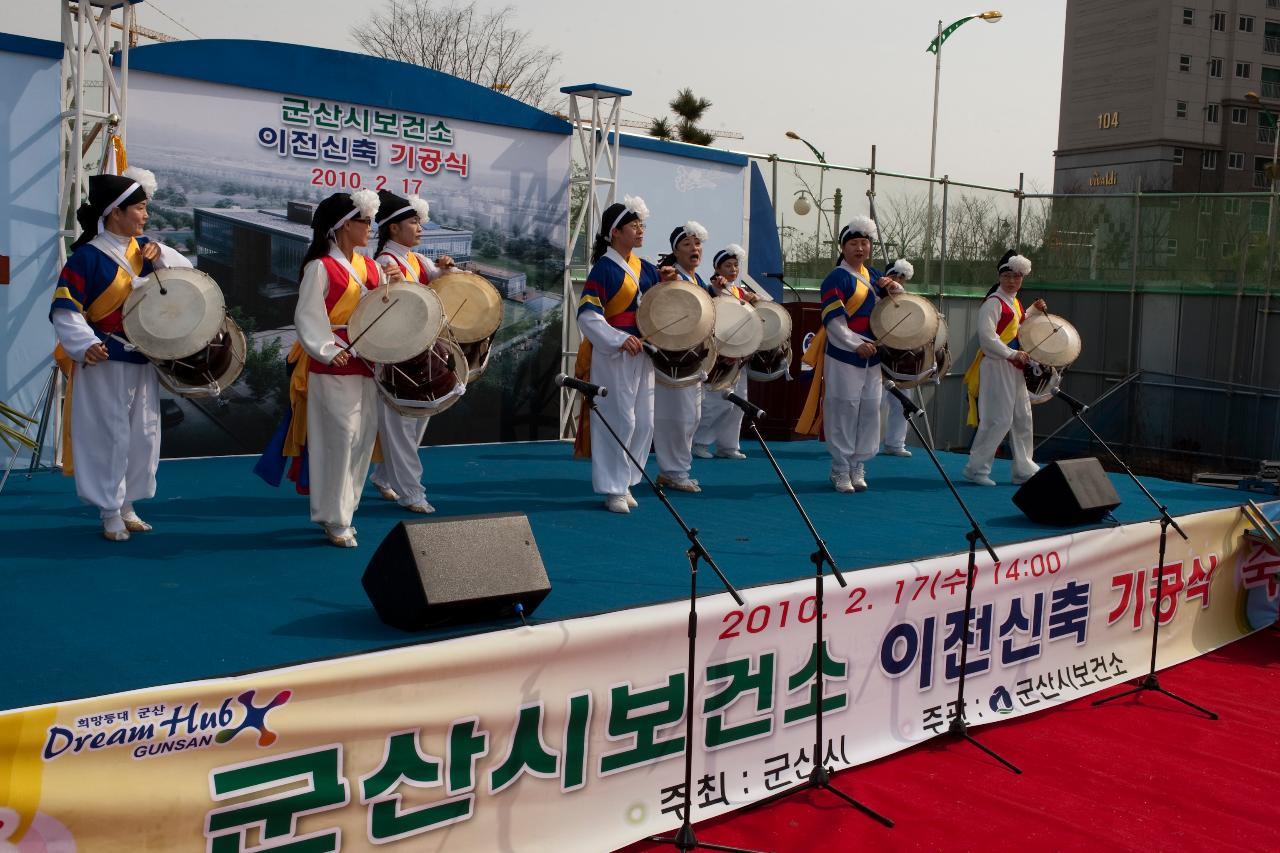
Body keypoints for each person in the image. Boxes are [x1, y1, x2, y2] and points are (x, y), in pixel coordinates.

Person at [50, 167, 192, 542]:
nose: (146, 216)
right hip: (105, 359)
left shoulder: (146, 250)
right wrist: (84, 344)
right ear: (116, 211)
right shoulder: (87, 258)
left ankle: (129, 503)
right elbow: (66, 309)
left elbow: (188, 274)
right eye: (140, 208)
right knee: (107, 434)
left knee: (142, 435)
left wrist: (161, 252)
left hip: (143, 357)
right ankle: (109, 510)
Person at [255, 189, 398, 546]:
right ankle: (333, 517)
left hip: (367, 363)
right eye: (364, 221)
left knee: (362, 438)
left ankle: (344, 511)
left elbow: (384, 307)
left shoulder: (370, 267)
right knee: (338, 440)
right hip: (332, 364)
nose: (370, 227)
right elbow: (307, 315)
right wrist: (326, 348)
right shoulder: (320, 267)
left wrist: (392, 284)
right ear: (343, 227)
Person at [573, 196, 673, 513]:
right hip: (615, 353)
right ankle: (612, 487)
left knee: (644, 422)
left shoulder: (645, 269)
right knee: (620, 419)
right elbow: (587, 315)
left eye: (641, 225)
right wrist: (617, 339)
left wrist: (667, 282)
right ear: (615, 232)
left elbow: (657, 303)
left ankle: (628, 479)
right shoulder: (604, 269)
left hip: (643, 351)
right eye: (634, 225)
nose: (640, 230)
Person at [795, 216, 904, 493]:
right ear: (843, 248)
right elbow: (834, 322)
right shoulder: (835, 278)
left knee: (869, 408)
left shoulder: (877, 276)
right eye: (853, 243)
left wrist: (893, 288)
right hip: (845, 352)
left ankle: (859, 464)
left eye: (864, 243)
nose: (860, 248)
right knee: (843, 407)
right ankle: (840, 468)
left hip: (874, 353)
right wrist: (856, 344)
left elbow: (897, 305)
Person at [368, 190, 455, 514]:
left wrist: (445, 269)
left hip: (420, 354)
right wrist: (382, 283)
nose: (420, 228)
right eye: (413, 222)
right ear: (393, 228)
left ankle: (384, 476)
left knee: (415, 423)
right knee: (402, 426)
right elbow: (377, 304)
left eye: (419, 222)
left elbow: (436, 280)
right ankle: (412, 493)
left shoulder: (416, 260)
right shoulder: (384, 263)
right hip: (395, 357)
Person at [962, 250, 1047, 487]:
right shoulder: (993, 303)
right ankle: (976, 468)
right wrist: (1012, 354)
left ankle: (1023, 468)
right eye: (1007, 276)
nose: (1012, 281)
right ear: (1000, 277)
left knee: (1022, 417)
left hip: (1014, 365)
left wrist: (1032, 310)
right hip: (998, 364)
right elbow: (988, 338)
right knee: (997, 418)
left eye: (1017, 276)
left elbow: (1015, 325)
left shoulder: (1015, 302)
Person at [647, 222, 712, 493]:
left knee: (690, 417)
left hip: (693, 359)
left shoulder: (699, 281)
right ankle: (672, 471)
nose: (694, 249)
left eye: (697, 244)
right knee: (675, 417)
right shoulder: (673, 278)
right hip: (672, 361)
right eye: (687, 244)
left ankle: (675, 470)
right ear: (676, 250)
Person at [693, 243, 757, 461]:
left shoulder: (740, 292)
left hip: (740, 354)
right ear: (717, 268)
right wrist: (718, 290)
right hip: (720, 355)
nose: (733, 270)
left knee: (738, 402)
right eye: (727, 265)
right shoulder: (711, 288)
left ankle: (728, 445)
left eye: (735, 265)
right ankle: (699, 442)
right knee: (714, 401)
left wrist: (754, 302)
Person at [878, 258, 917, 458]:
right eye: (894, 276)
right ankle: (865, 443)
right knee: (875, 402)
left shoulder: (909, 303)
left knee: (903, 401)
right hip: (878, 357)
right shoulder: (875, 298)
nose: (898, 281)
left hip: (901, 359)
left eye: (902, 278)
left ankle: (895, 443)